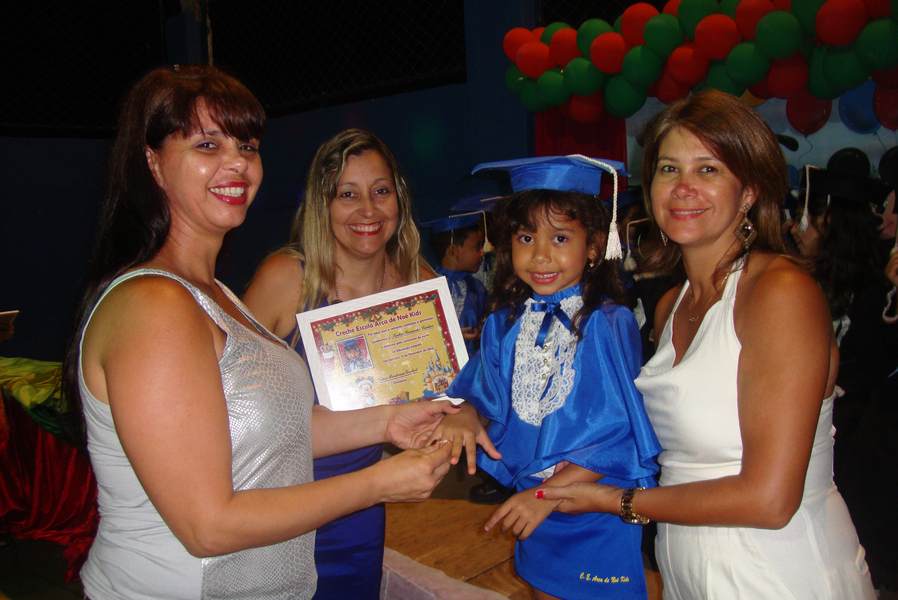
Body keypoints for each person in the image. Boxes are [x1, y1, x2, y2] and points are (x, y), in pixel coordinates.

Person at [64, 66, 458, 600]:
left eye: (247, 146)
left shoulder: (217, 296)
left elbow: (276, 434)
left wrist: (388, 421)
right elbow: (208, 526)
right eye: (208, 144)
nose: (237, 163)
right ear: (153, 162)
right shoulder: (154, 305)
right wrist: (378, 482)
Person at [536, 90, 876, 599]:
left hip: (776, 572)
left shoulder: (779, 293)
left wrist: (615, 501)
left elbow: (769, 500)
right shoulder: (670, 305)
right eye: (669, 169)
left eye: (709, 169)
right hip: (687, 567)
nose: (683, 187)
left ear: (749, 191)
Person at [242, 128, 496, 599]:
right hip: (283, 507)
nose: (368, 210)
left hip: (363, 512)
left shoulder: (416, 281)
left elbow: (456, 387)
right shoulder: (286, 279)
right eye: (347, 194)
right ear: (322, 204)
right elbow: (234, 413)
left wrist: (464, 411)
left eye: (380, 191)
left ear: (399, 197)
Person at [438, 155, 661, 600]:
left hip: (590, 501)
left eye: (560, 238)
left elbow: (623, 434)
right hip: (530, 496)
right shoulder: (504, 323)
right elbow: (482, 395)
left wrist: (546, 497)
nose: (540, 255)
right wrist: (465, 414)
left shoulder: (607, 324)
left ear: (594, 246)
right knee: (543, 588)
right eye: (526, 237)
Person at [426, 212, 489, 353]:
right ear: (453, 251)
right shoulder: (429, 285)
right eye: (477, 247)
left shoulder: (476, 287)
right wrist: (450, 336)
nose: (482, 252)